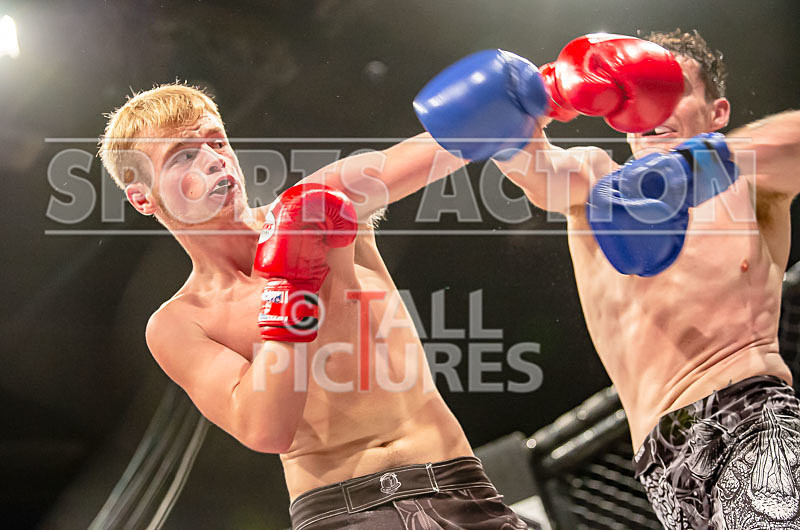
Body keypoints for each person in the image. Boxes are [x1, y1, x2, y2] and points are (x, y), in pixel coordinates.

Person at [415, 30, 800, 528]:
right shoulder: (594, 184)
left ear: (717, 111)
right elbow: (537, 171)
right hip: (661, 465)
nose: (654, 109)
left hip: (747, 415)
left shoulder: (751, 187)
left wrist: (698, 165)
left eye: (673, 90)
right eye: (638, 94)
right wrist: (535, 102)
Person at [99, 85, 528, 529]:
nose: (213, 159)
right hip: (340, 513)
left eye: (216, 141)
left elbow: (446, 147)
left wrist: (543, 91)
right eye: (182, 155)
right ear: (143, 197)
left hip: (460, 485)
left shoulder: (321, 201)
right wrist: (291, 285)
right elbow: (265, 428)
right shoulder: (181, 322)